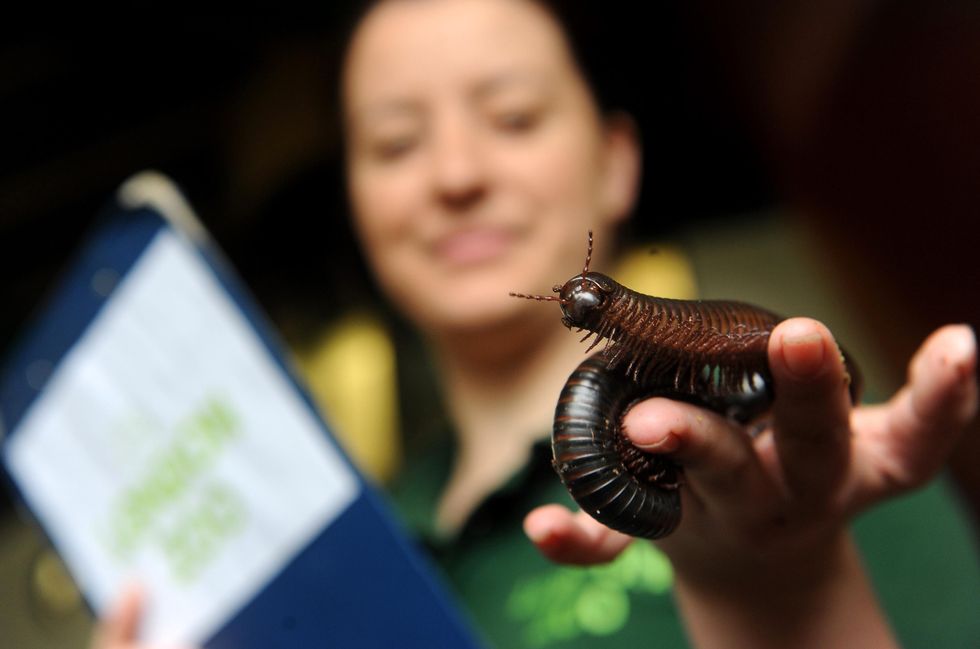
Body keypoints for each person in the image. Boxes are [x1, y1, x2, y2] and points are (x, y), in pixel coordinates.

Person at [93, 0, 979, 648]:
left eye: (513, 116)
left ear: (617, 161)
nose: (456, 172)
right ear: (357, 210)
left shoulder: (816, 454)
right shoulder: (345, 556)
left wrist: (785, 587)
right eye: (395, 142)